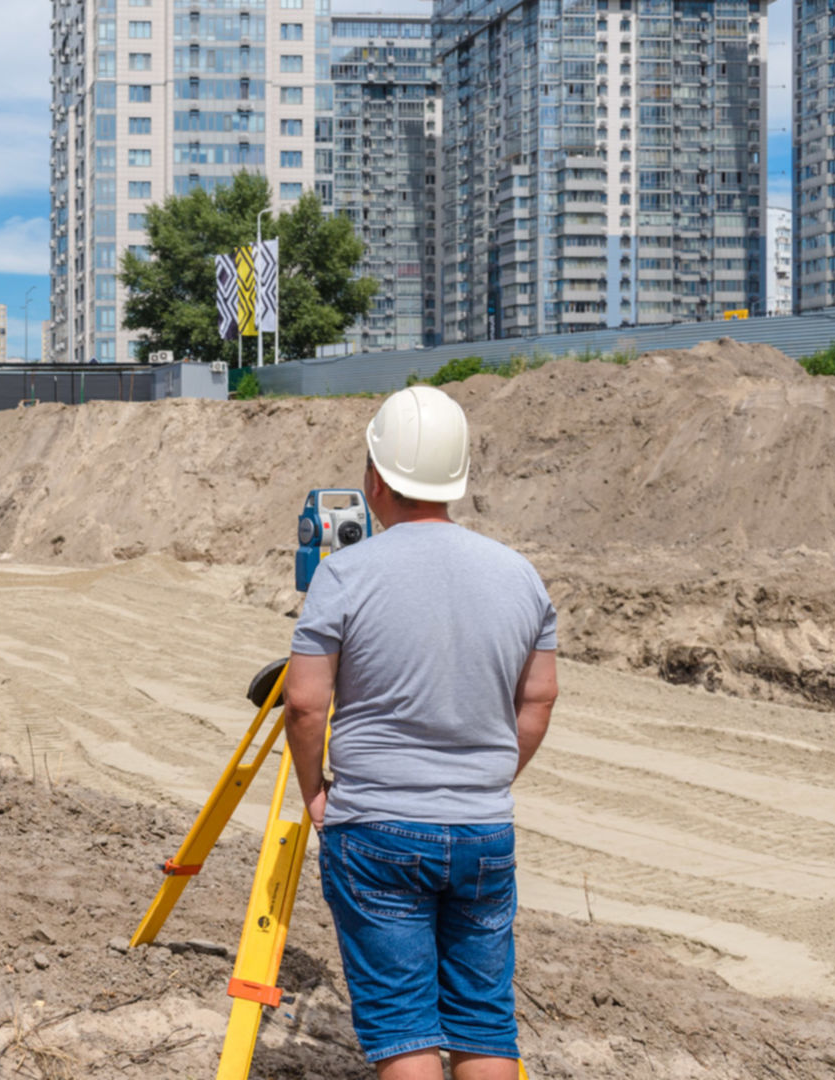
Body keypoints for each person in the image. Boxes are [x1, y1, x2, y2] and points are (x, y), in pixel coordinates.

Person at [283, 385, 558, 1080]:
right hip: (484, 831)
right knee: (484, 1024)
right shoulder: (522, 576)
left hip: (377, 828)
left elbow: (305, 706)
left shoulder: (344, 574)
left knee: (405, 1028)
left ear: (374, 477)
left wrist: (316, 794)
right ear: (457, 480)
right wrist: (487, 777)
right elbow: (540, 699)